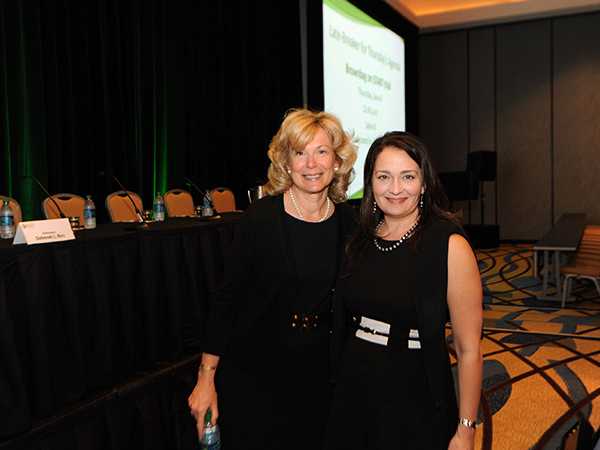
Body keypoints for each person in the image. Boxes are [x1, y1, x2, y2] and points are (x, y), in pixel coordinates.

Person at [188, 108, 357, 449]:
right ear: (286, 163)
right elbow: (226, 300)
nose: (311, 164)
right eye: (299, 153)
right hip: (258, 374)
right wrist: (206, 378)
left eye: (321, 152)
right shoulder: (260, 219)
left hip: (321, 377)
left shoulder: (349, 223)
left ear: (337, 162)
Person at [325, 131, 483, 450]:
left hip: (415, 392)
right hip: (355, 387)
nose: (395, 189)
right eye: (384, 177)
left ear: (424, 183)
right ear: (371, 183)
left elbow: (469, 350)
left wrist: (466, 430)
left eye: (407, 177)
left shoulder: (448, 244)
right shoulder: (359, 239)